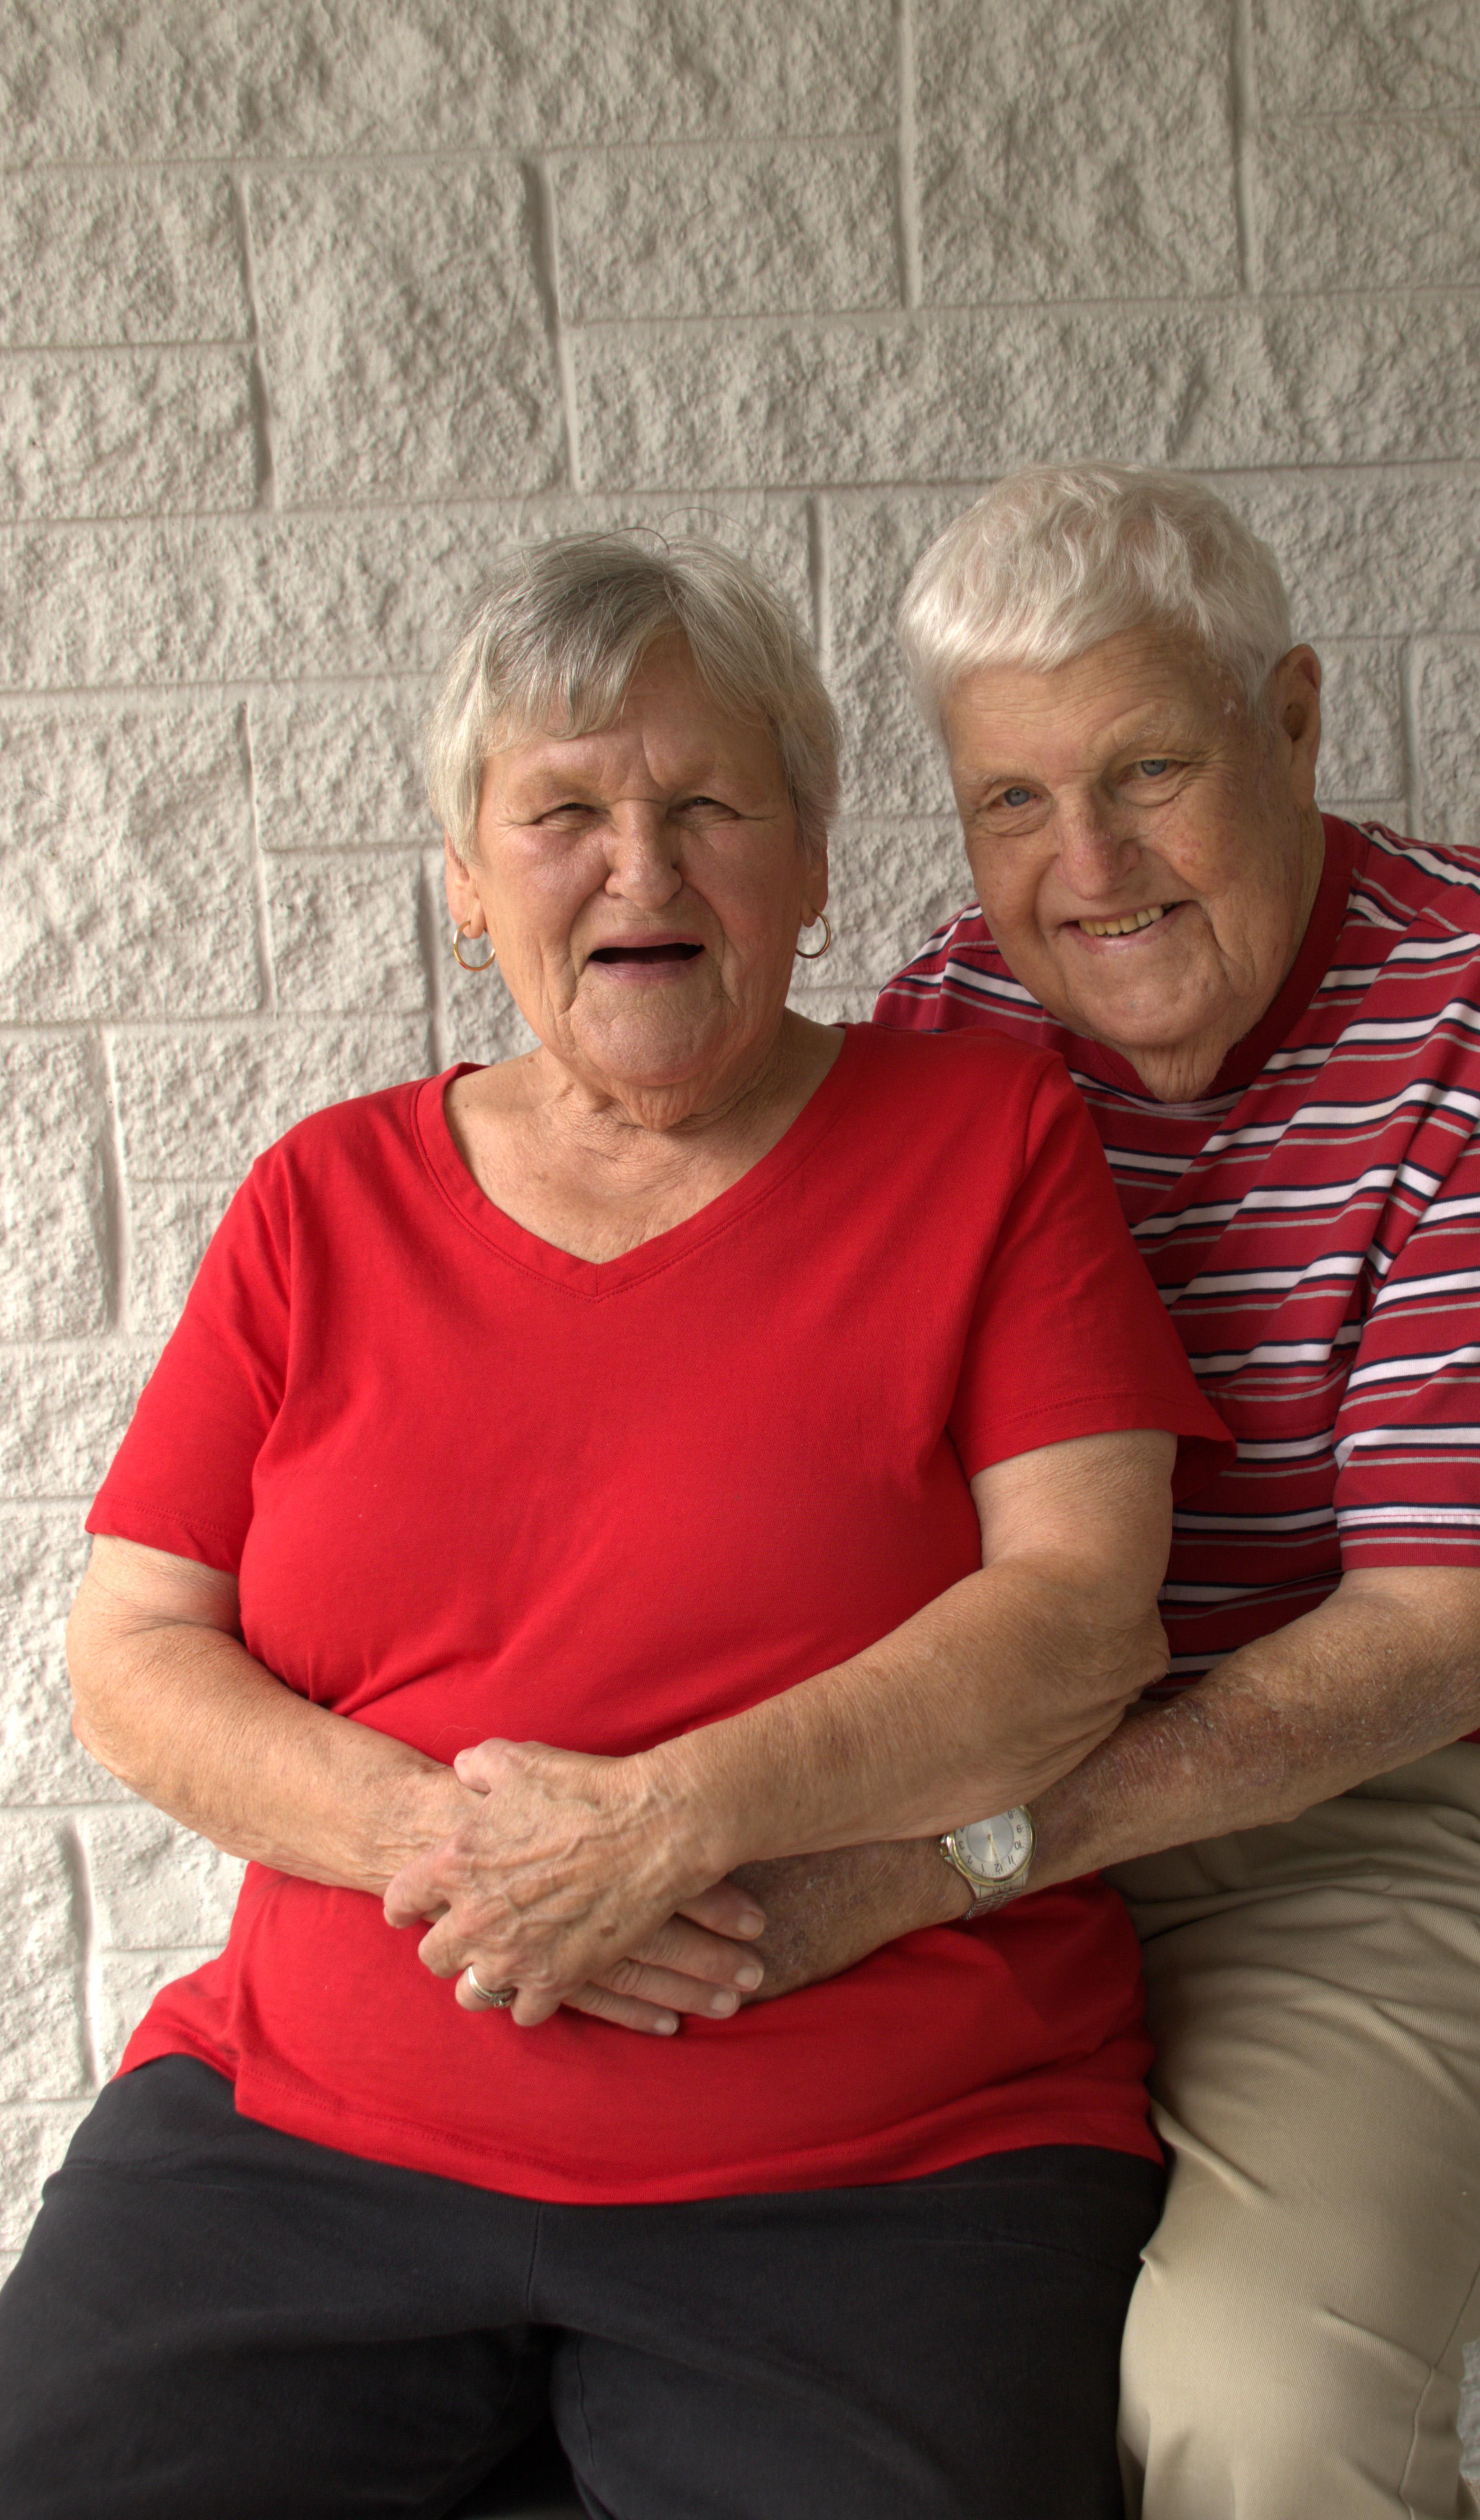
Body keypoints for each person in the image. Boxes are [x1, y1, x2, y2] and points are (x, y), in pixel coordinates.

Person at [0, 531, 1228, 2520]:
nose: (641, 870)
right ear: (472, 887)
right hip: (310, 2143)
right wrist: (457, 1850)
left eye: (708, 807)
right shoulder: (322, 1201)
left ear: (814, 861)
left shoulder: (987, 1143)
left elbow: (1088, 1617)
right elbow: (131, 1662)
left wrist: (682, 1820)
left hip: (881, 2168)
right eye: (563, 813)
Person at [722, 466, 1480, 2520]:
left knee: (1251, 2419)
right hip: (1033, 1796)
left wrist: (941, 1861)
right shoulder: (955, 1026)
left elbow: (1429, 1657)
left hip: (1425, 1817)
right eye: (1012, 801)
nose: (1087, 866)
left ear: (1290, 719)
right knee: (813, 2346)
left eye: (1150, 769)